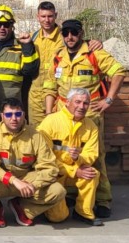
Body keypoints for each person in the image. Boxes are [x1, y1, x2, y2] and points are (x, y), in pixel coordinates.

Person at [49, 18, 125, 219]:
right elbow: (50, 86)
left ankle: (102, 200)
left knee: (95, 158)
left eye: (74, 32)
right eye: (66, 33)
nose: (70, 37)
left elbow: (119, 72)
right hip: (64, 116)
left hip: (89, 115)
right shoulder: (59, 56)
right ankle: (73, 196)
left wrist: (109, 99)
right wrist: (50, 113)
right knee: (65, 155)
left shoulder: (94, 53)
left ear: (81, 33)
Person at [0, 98, 67, 227]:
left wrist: (34, 186)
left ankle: (23, 209)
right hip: (3, 180)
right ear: (2, 116)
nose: (14, 118)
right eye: (9, 114)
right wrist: (14, 180)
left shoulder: (35, 135)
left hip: (27, 180)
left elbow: (50, 168)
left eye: (18, 114)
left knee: (58, 191)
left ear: (23, 115)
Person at [38, 88, 103, 226]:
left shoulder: (91, 127)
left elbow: (91, 154)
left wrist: (78, 159)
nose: (81, 106)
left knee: (92, 174)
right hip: (54, 174)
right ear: (67, 102)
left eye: (85, 103)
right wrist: (74, 170)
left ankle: (83, 212)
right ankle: (48, 206)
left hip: (75, 170)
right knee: (58, 217)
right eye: (77, 102)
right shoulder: (50, 121)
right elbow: (44, 158)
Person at [0, 5, 37, 126]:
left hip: (10, 107)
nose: (2, 28)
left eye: (7, 25)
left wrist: (28, 46)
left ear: (12, 26)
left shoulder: (21, 47)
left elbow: (30, 71)